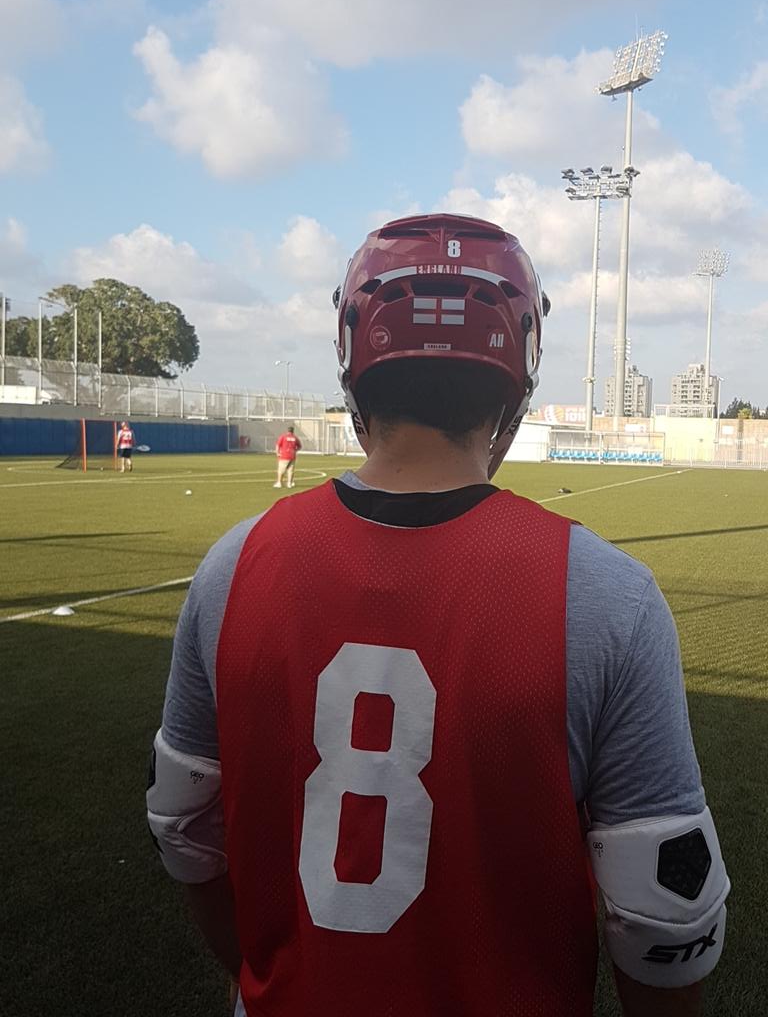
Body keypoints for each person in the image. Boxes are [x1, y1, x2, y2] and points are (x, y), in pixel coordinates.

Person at [147, 214, 729, 1017]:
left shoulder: (231, 568)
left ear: (355, 364)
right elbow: (665, 915)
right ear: (516, 378)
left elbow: (184, 830)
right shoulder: (607, 594)